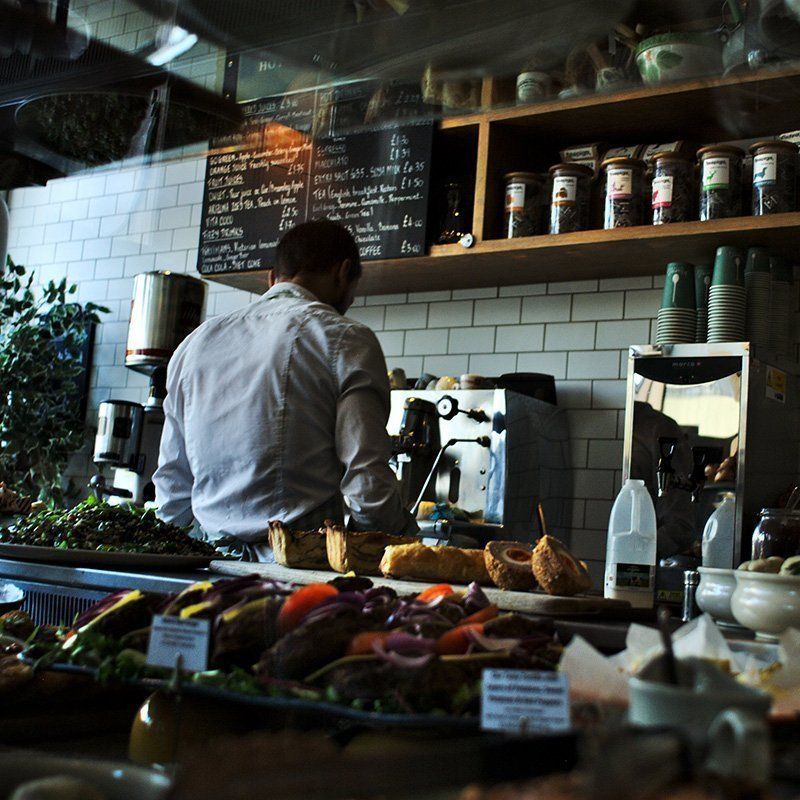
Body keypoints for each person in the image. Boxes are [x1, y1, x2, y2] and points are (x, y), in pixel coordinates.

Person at [154, 219, 417, 559]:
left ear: (272, 278)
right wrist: (401, 543)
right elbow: (366, 481)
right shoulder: (346, 339)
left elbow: (173, 480)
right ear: (343, 273)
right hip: (301, 571)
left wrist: (170, 560)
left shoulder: (195, 343)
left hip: (210, 566)